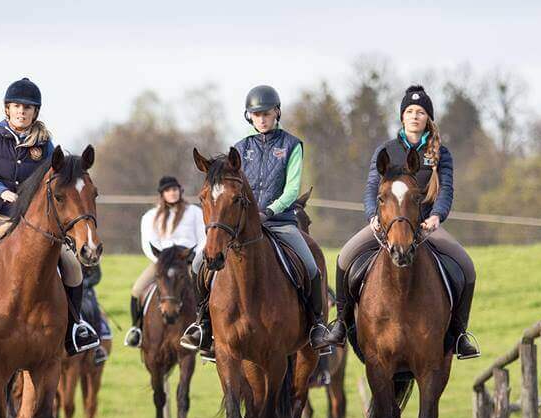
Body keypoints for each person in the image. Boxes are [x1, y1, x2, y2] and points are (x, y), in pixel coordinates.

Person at [0, 78, 99, 355]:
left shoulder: (47, 145)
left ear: (35, 112)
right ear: (7, 109)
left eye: (27, 108)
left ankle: (76, 327)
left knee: (72, 266)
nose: (21, 112)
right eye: (16, 106)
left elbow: (56, 178)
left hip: (31, 220)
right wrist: (1, 191)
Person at [325, 85, 479, 359]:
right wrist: (372, 215)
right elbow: (372, 185)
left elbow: (446, 191)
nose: (414, 116)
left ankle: (459, 334)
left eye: (420, 112)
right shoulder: (386, 150)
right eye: (409, 111)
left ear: (428, 118)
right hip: (386, 225)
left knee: (466, 265)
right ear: (402, 117)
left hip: (425, 227)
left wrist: (436, 216)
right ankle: (341, 322)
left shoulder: (441, 154)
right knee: (345, 256)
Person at [179, 85, 334, 357]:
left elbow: (291, 189)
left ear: (277, 113)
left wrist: (270, 212)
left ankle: (317, 327)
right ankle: (202, 323)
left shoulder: (292, 145)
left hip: (280, 222)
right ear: (249, 116)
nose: (262, 118)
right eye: (256, 114)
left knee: (311, 265)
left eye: (267, 113)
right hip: (242, 226)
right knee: (198, 263)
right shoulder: (239, 148)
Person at [123, 175, 204, 348]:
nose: (172, 193)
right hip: (163, 261)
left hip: (188, 260)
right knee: (137, 289)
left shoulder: (195, 212)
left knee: (203, 290)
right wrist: (160, 262)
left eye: (175, 189)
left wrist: (193, 257)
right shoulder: (150, 216)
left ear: (180, 191)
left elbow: (203, 237)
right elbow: (148, 244)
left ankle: (204, 329)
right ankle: (136, 329)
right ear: (162, 194)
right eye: (168, 190)